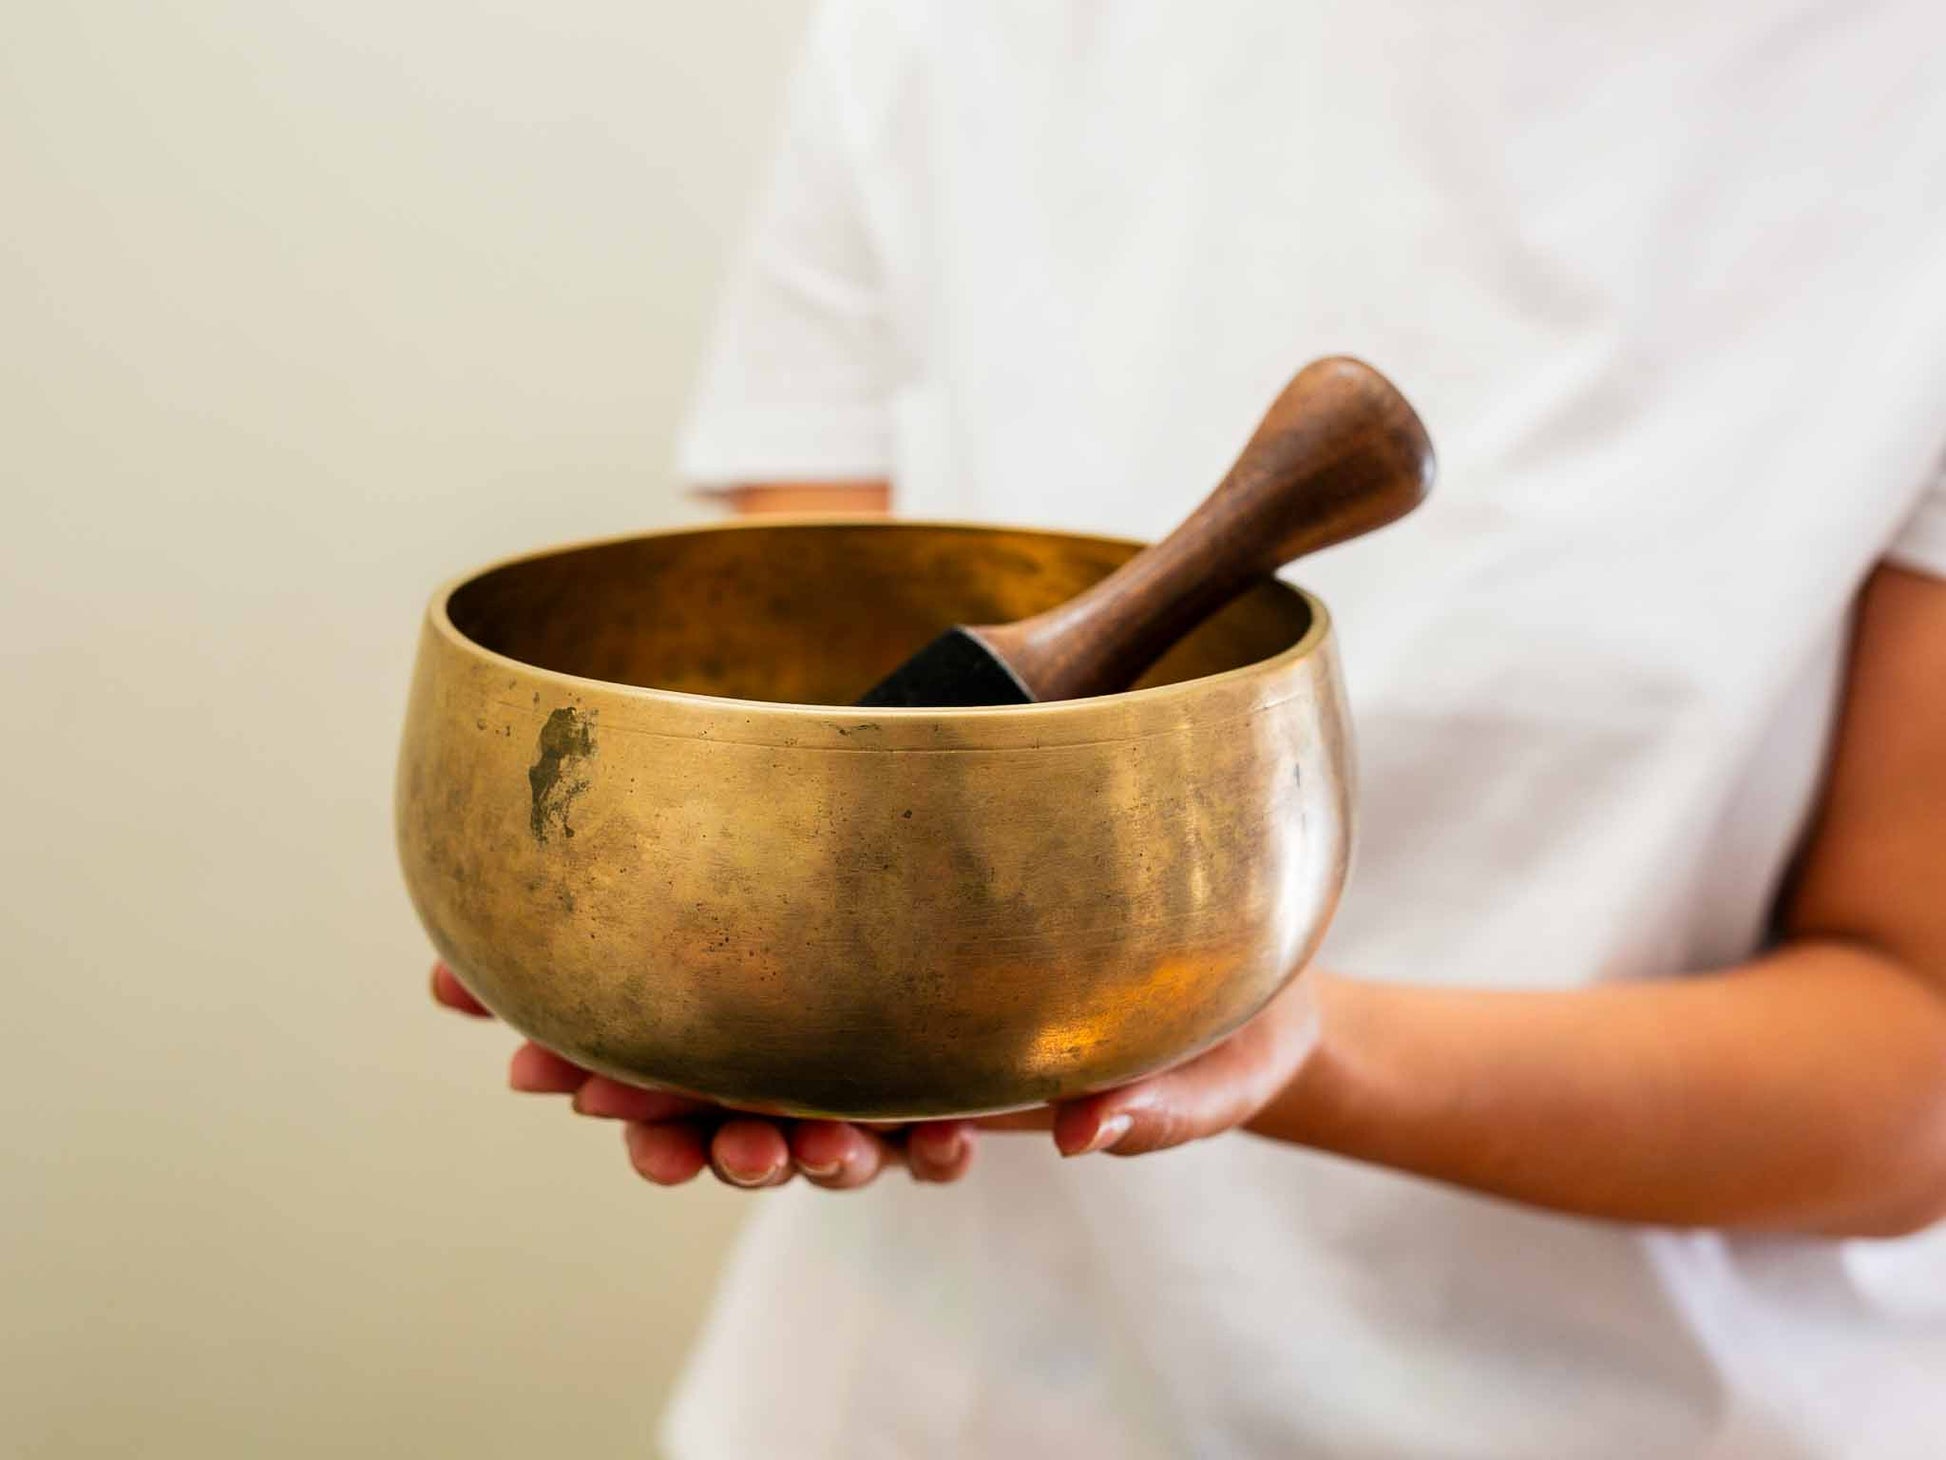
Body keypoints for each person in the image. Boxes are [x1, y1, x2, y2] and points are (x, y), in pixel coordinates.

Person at [430, 3, 1946, 1455]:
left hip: (1638, 1423)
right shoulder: (946, 27)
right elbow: (812, 735)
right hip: (927, 1410)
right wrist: (739, 971)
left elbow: (1915, 1074)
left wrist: (1297, 1044)